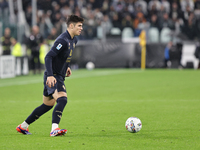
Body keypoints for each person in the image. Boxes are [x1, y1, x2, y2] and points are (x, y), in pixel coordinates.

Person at [16, 15, 84, 136]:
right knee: (62, 100)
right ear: (71, 26)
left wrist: (66, 67)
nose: (81, 28)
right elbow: (49, 56)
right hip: (54, 76)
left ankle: (23, 126)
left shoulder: (74, 40)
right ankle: (54, 129)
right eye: (79, 26)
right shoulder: (62, 40)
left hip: (58, 75)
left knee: (47, 105)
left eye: (81, 26)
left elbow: (63, 57)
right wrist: (50, 75)